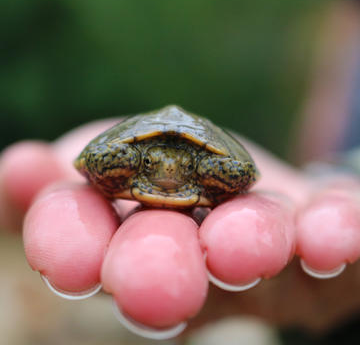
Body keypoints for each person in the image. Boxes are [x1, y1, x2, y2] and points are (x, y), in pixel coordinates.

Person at [2, 118, 360, 339]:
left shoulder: (206, 169)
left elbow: (243, 173)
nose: (168, 167)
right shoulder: (130, 160)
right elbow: (92, 160)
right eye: (157, 161)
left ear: (192, 164)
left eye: (180, 163)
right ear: (146, 160)